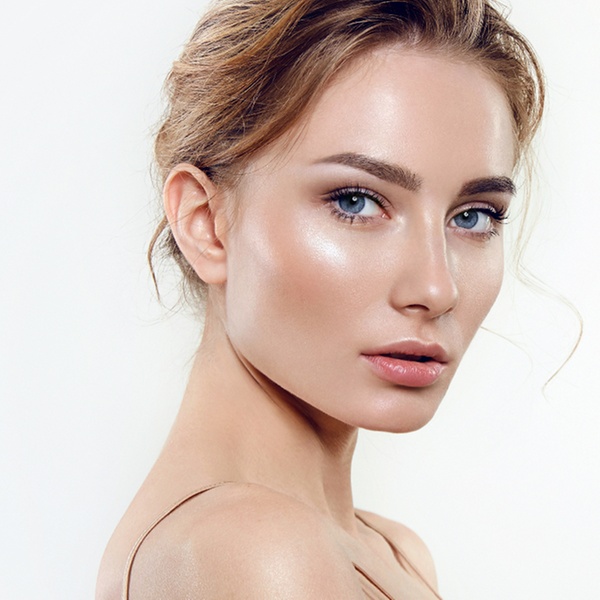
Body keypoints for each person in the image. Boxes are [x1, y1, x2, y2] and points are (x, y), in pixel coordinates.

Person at [96, 0, 544, 598]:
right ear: (206, 224)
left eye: (474, 215)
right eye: (356, 201)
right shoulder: (254, 551)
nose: (437, 288)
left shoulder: (392, 552)